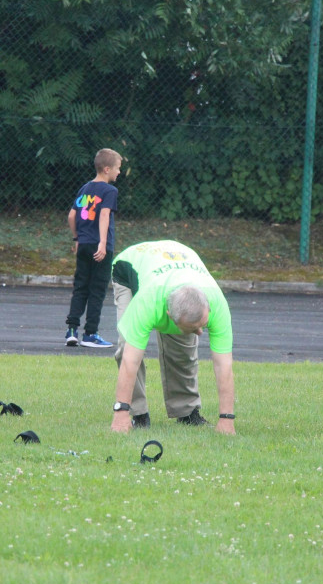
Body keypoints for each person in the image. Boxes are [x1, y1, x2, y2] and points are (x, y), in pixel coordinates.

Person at [109, 240, 235, 435]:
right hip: (129, 267)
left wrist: (226, 419)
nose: (201, 332)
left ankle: (186, 412)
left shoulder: (217, 304)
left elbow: (223, 365)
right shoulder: (149, 302)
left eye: (202, 325)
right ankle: (138, 414)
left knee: (183, 348)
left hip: (176, 260)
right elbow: (130, 360)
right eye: (195, 328)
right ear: (168, 315)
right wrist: (120, 412)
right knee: (128, 346)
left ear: (207, 308)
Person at [65, 148, 122, 348]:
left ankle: (71, 330)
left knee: (80, 287)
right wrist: (103, 243)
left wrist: (77, 238)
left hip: (84, 245)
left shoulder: (84, 189)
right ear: (107, 169)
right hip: (99, 247)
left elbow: (72, 216)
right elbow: (104, 215)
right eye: (117, 168)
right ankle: (90, 334)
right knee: (97, 289)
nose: (119, 172)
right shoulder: (110, 191)